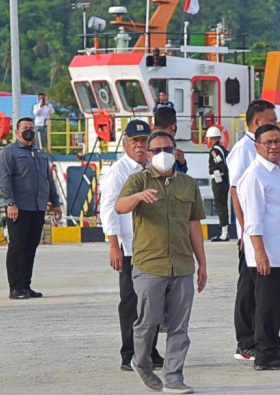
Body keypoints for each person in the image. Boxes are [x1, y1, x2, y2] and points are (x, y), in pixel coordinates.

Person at [116, 131, 207, 393]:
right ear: (148, 153)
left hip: (182, 264)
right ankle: (141, 362)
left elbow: (194, 225)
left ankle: (174, 377)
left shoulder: (188, 184)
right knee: (149, 321)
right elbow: (119, 206)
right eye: (156, 150)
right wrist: (138, 197)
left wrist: (202, 264)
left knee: (180, 326)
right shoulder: (138, 180)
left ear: (176, 151)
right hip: (150, 265)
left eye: (167, 149)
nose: (163, 154)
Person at [226, 100, 280, 362]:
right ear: (256, 123)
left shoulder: (274, 153)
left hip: (264, 234)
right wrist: (244, 233)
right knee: (250, 289)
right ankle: (247, 342)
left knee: (263, 291)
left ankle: (264, 340)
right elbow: (236, 191)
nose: (274, 123)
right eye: (270, 120)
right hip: (252, 234)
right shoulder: (244, 150)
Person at [99, 120, 164, 372]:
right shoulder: (118, 171)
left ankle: (150, 349)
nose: (139, 145)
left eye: (143, 141)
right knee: (131, 302)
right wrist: (113, 245)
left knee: (154, 301)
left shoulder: (153, 168)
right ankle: (129, 353)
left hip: (152, 247)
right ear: (125, 143)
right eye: (135, 141)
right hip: (129, 248)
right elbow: (108, 210)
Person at [237, 124, 280, 370]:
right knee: (266, 305)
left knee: (276, 304)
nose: (274, 146)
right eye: (268, 142)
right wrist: (260, 252)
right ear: (257, 146)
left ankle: (271, 347)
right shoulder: (255, 175)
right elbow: (253, 219)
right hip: (268, 253)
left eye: (277, 141)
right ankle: (265, 354)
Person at [0, 117, 63, 299]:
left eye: (32, 128)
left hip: (38, 207)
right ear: (17, 132)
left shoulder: (40, 154)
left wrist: (55, 203)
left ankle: (26, 286)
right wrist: (10, 203)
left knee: (31, 246)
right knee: (17, 246)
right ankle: (15, 288)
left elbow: (49, 181)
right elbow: (4, 179)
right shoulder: (8, 153)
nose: (29, 131)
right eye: (25, 128)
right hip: (18, 208)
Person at [206, 126, 230, 242]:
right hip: (222, 181)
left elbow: (221, 165)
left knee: (220, 206)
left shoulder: (214, 151)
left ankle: (224, 234)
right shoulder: (223, 149)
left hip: (218, 180)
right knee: (223, 206)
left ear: (210, 139)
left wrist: (222, 180)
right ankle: (224, 232)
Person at [153, 107, 188, 173]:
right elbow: (178, 176)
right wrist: (181, 165)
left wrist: (181, 163)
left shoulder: (147, 142)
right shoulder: (168, 142)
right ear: (173, 126)